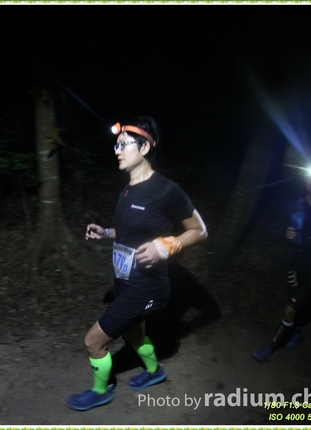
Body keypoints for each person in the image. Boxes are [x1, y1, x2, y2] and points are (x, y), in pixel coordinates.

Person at [65, 116, 208, 411]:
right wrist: (106, 233)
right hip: (124, 280)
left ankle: (101, 390)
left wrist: (165, 245)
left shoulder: (167, 191)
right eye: (116, 145)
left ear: (144, 148)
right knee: (134, 334)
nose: (116, 150)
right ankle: (155, 371)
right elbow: (130, 232)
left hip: (147, 288)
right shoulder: (128, 190)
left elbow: (200, 230)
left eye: (123, 145)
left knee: (93, 342)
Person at [252, 167, 311, 363]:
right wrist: (287, 233)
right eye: (310, 179)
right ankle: (297, 329)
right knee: (296, 301)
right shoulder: (297, 203)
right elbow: (288, 227)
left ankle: (272, 345)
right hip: (297, 261)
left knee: (292, 307)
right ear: (305, 181)